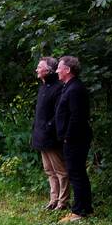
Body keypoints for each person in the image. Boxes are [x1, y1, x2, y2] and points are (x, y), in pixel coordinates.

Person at [55, 56, 93, 222]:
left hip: (75, 139)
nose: (56, 70)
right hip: (73, 138)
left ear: (67, 70)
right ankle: (85, 208)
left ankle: (79, 212)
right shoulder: (69, 87)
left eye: (59, 68)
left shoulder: (75, 89)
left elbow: (77, 117)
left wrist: (68, 137)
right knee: (78, 173)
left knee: (76, 174)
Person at [31, 57, 68, 210]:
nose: (37, 70)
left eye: (40, 67)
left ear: (48, 70)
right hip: (40, 135)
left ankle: (63, 201)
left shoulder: (58, 87)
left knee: (61, 171)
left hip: (51, 136)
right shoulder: (43, 87)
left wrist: (48, 127)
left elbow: (59, 113)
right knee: (49, 171)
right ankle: (53, 200)